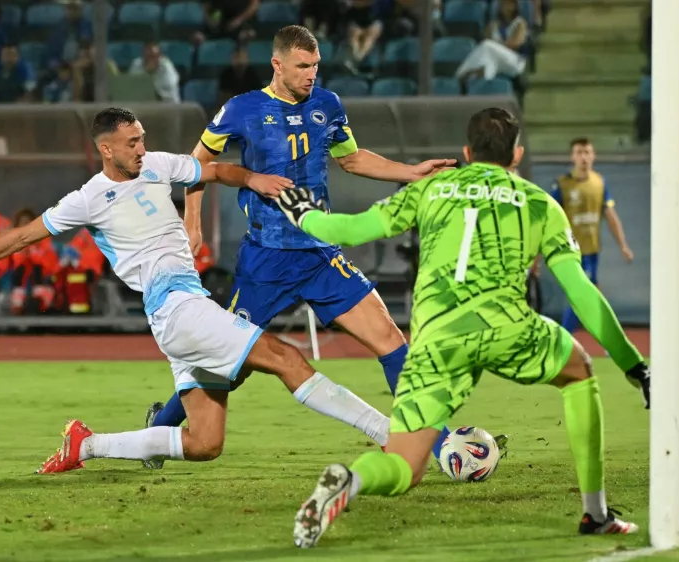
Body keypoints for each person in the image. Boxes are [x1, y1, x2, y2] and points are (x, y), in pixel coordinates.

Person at [0, 107, 393, 473]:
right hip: (176, 309)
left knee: (205, 443)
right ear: (106, 149)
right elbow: (18, 238)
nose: (142, 149)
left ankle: (86, 445)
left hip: (184, 311)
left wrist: (253, 179)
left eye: (142, 139)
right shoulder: (88, 199)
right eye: (131, 143)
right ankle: (391, 435)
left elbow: (215, 171)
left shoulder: (159, 165)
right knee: (289, 361)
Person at [272, 108, 651, 548]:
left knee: (404, 466)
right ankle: (595, 512)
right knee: (579, 371)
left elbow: (356, 230)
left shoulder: (430, 188)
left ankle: (350, 481)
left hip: (435, 340)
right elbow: (581, 292)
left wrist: (306, 217)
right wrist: (633, 365)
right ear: (517, 154)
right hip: (506, 326)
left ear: (467, 153)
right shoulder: (538, 202)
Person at [144, 25, 474, 471]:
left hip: (320, 254)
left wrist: (411, 172)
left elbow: (352, 158)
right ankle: (160, 427)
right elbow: (196, 165)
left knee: (391, 340)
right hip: (266, 260)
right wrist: (193, 221)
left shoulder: (327, 104)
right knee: (227, 367)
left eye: (316, 65)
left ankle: (439, 446)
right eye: (302, 66)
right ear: (277, 64)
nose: (311, 74)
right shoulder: (243, 109)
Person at [542, 137, 632, 335]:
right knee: (581, 296)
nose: (583, 157)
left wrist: (623, 245)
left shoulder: (599, 183)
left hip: (592, 252)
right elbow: (547, 219)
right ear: (572, 157)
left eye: (587, 152)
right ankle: (564, 339)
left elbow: (611, 216)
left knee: (593, 296)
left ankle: (606, 338)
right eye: (579, 153)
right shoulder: (562, 186)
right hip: (570, 252)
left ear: (593, 156)